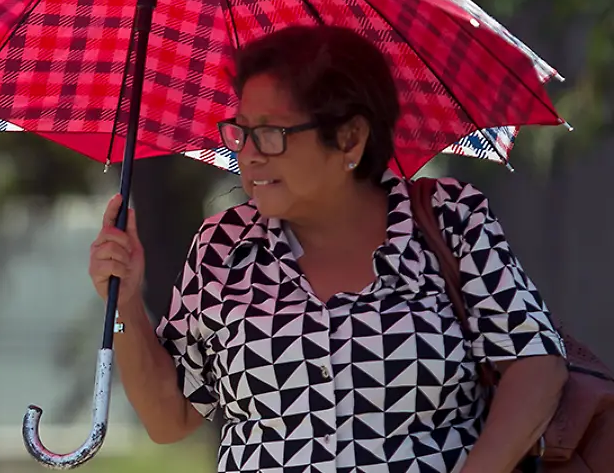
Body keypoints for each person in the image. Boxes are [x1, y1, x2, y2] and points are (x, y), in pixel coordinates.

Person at [89, 26, 568, 473]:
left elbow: (536, 362)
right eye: (240, 130)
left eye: (271, 133)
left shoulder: (449, 221)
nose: (248, 152)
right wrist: (126, 299)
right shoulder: (222, 248)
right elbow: (169, 420)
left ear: (350, 138)